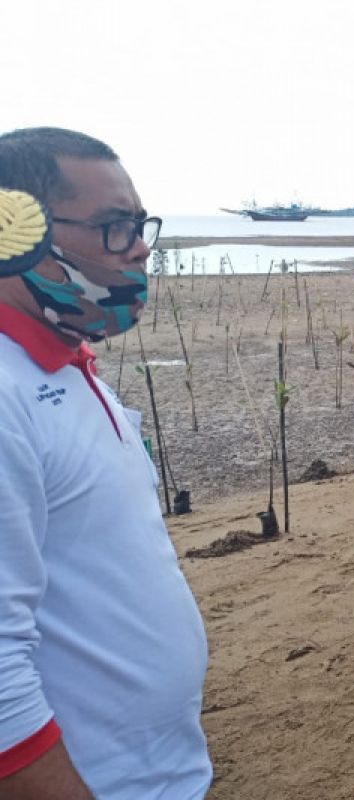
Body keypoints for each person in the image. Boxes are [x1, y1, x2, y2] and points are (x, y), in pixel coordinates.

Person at [0, 128, 210, 797]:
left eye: (140, 224)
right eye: (115, 227)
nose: (142, 248)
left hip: (157, 772)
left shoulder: (68, 365)